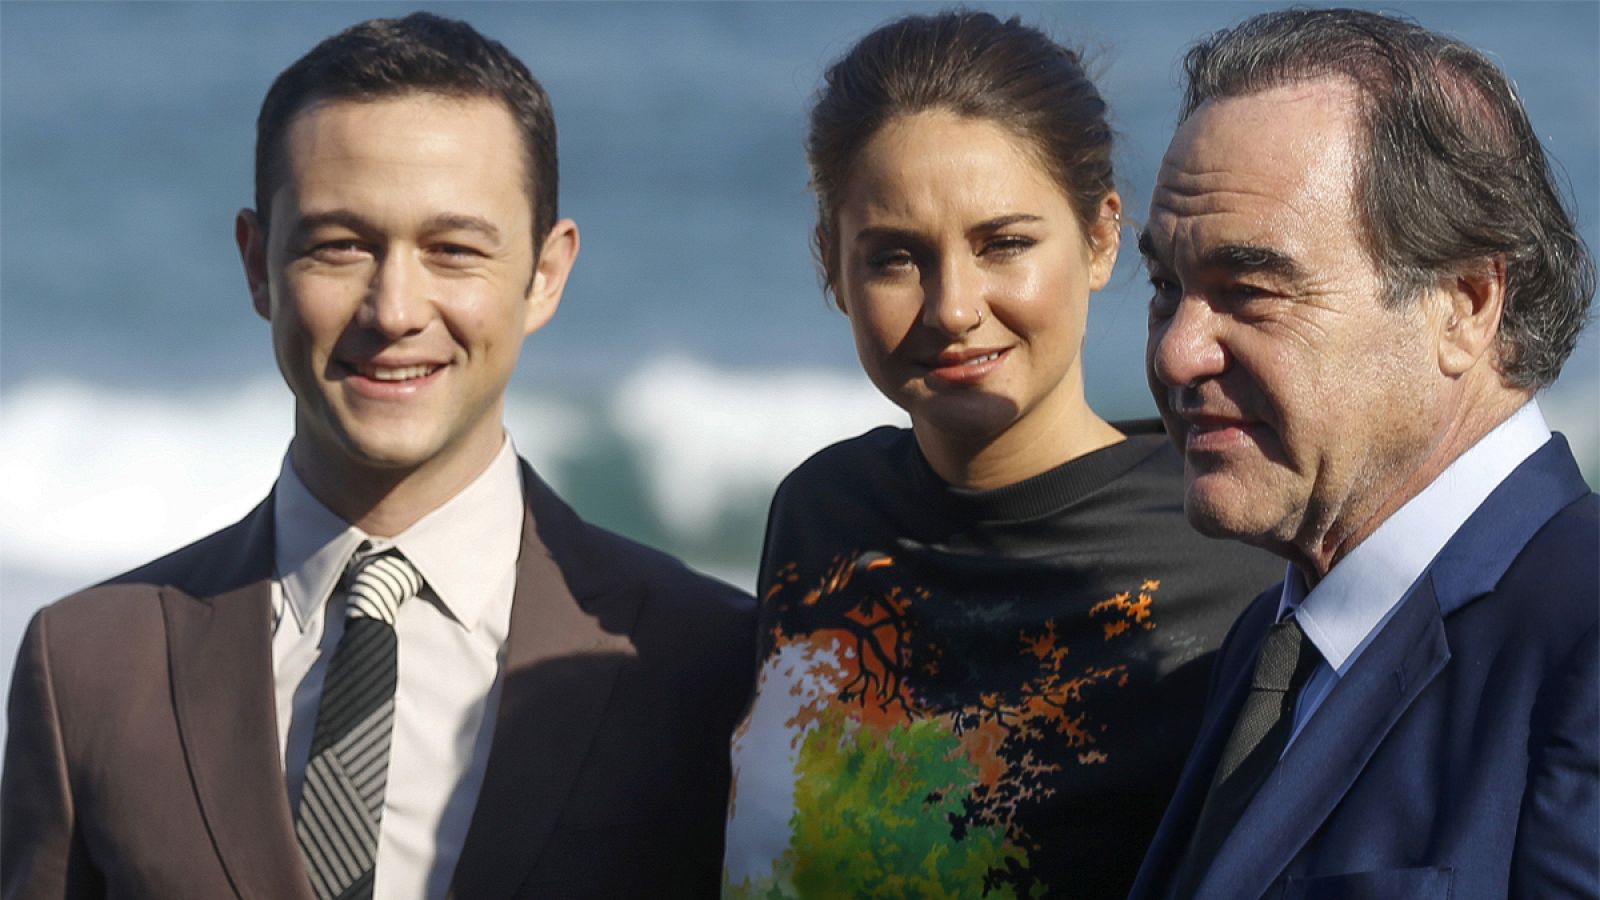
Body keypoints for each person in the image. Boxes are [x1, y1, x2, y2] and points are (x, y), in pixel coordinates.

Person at [1, 12, 754, 899]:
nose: (394, 308)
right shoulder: (90, 667)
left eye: (453, 250)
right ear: (257, 264)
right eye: (340, 246)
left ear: (545, 274)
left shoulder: (705, 663)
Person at [721, 12, 1284, 898]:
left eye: (1005, 245)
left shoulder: (1229, 553)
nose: (952, 307)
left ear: (1102, 239)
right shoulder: (823, 510)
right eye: (895, 258)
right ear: (832, 263)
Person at [1130, 8, 1597, 899]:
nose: (1176, 352)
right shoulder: (1269, 647)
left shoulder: (1581, 643)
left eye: (1251, 291)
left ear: (1463, 303)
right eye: (1166, 287)